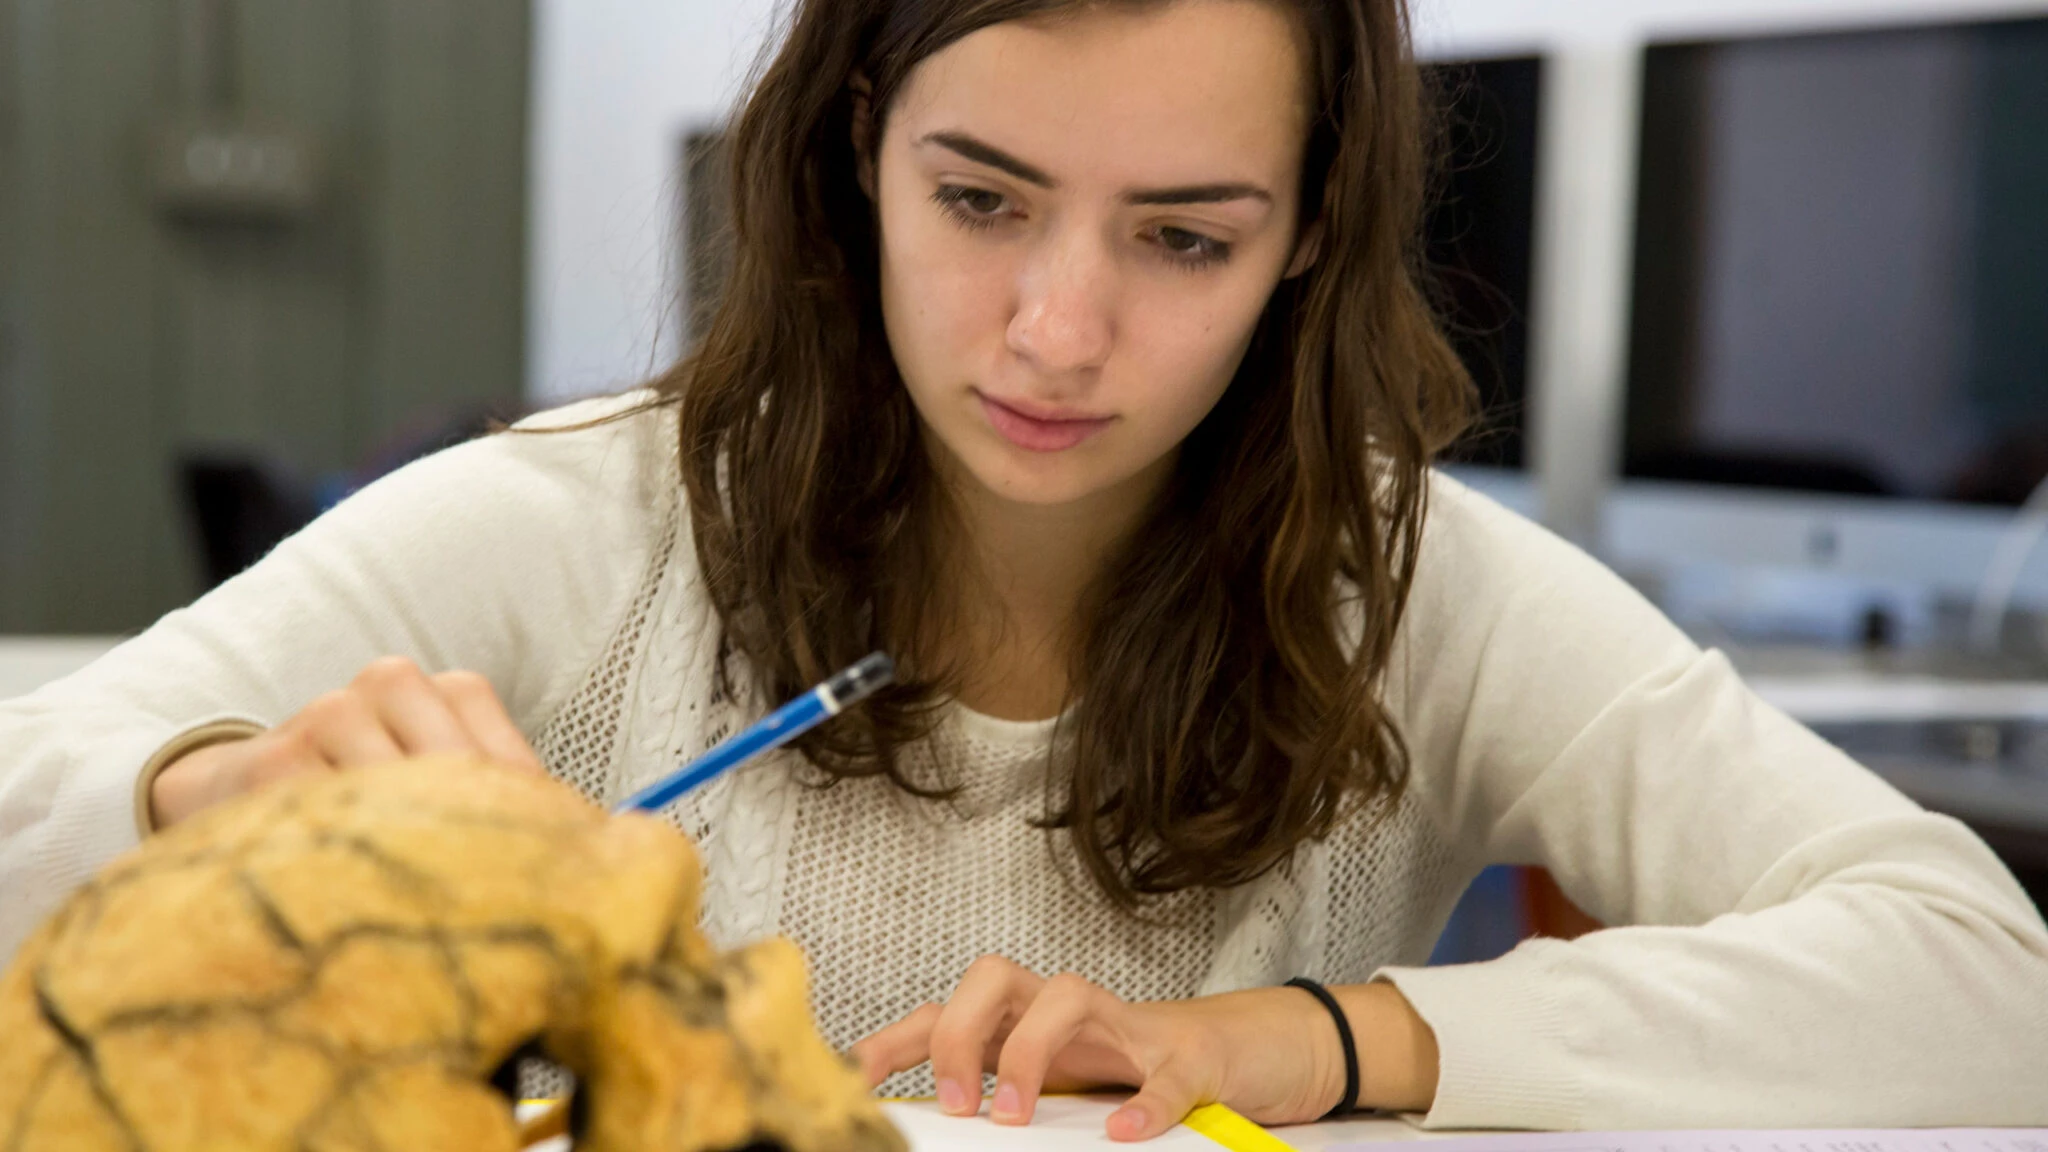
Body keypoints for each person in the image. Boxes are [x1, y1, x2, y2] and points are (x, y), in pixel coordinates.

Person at [3, 0, 2045, 1136]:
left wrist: (1324, 1039)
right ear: (855, 157)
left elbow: (1984, 973)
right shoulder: (586, 526)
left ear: (1311, 238)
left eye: (1182, 237)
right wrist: (206, 789)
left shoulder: (1413, 588)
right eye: (982, 200)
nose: (1058, 334)